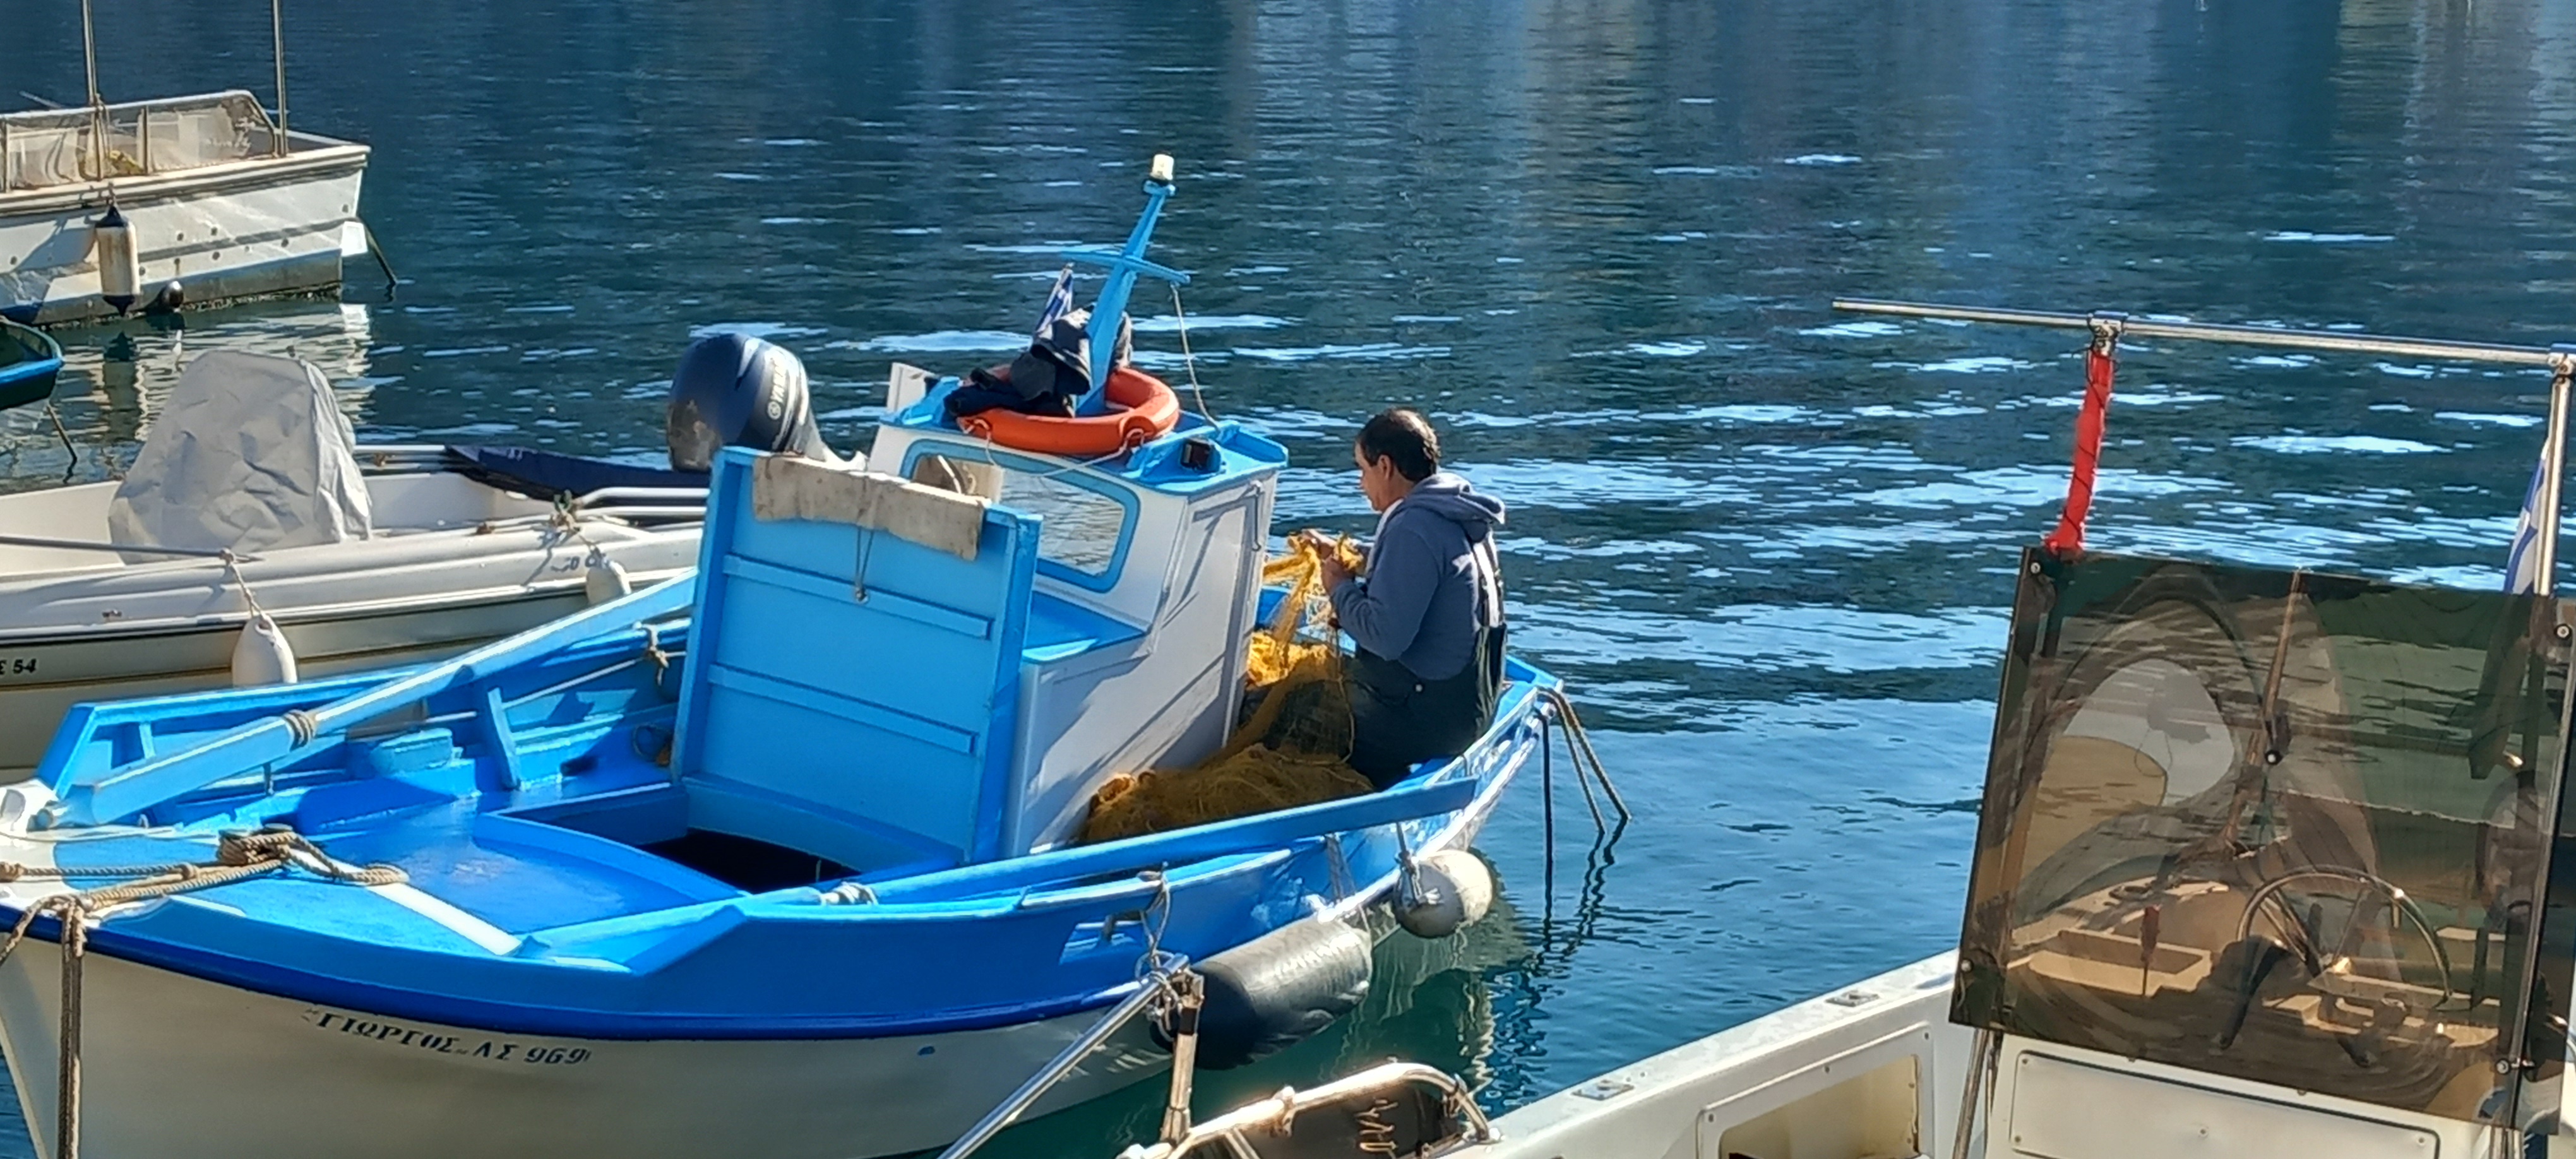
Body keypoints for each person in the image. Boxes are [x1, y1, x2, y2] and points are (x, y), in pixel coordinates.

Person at [1299, 408, 1507, 789]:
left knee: (1297, 709)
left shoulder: (1413, 527)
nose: (1361, 484)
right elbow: (1418, 570)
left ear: (1385, 466)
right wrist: (1348, 554)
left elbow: (1385, 639)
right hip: (1472, 703)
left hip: (1428, 721)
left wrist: (1339, 588)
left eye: (1362, 470)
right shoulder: (1455, 510)